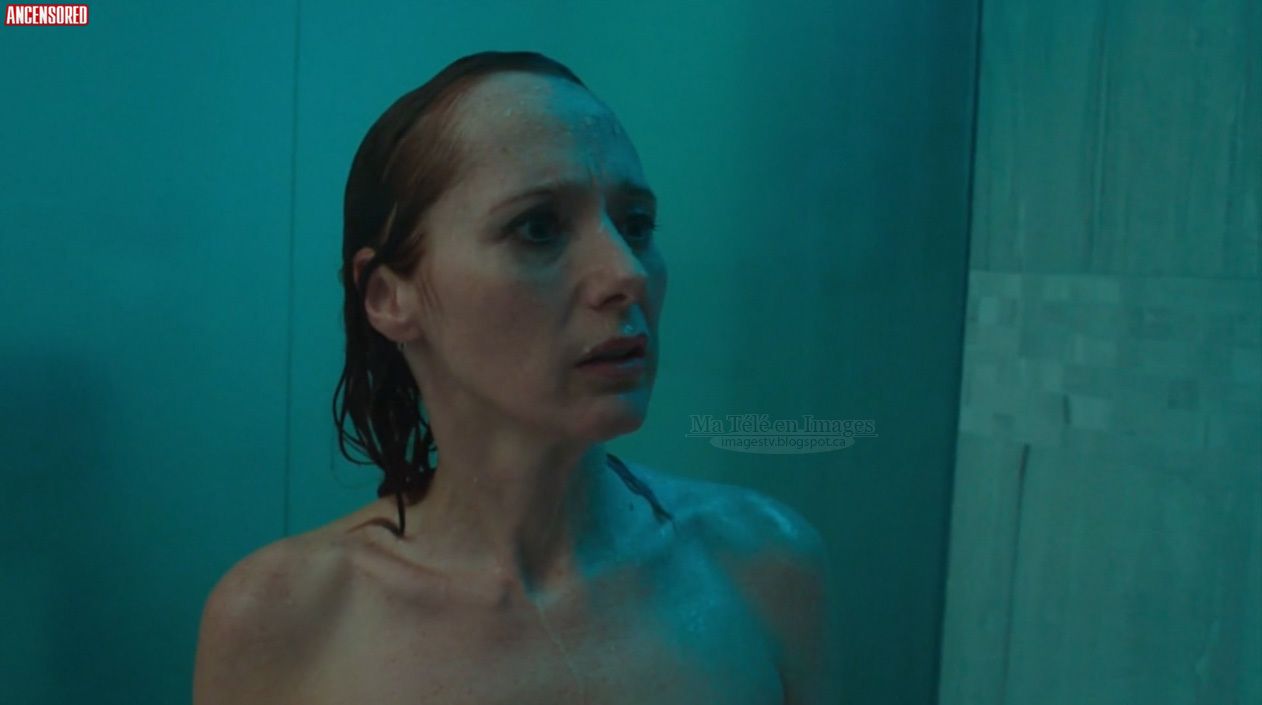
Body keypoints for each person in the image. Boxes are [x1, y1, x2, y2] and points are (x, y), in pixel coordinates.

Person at [192, 50, 839, 704]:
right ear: (389, 296)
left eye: (636, 225)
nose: (627, 273)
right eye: (538, 228)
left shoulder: (762, 567)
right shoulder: (283, 619)